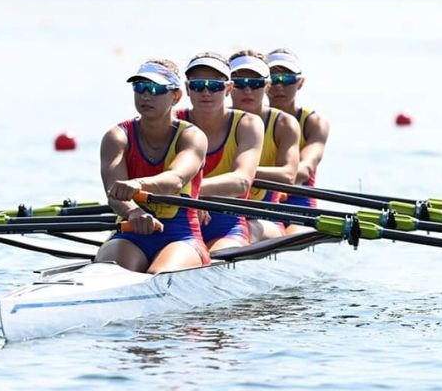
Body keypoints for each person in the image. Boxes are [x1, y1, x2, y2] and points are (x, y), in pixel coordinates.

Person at [95, 59, 210, 274]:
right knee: (106, 274)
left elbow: (175, 179)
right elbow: (115, 193)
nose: (146, 95)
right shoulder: (117, 137)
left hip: (182, 236)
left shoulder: (192, 136)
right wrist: (133, 213)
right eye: (140, 88)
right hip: (131, 231)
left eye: (156, 89)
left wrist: (137, 184)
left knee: (156, 275)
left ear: (175, 96)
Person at [177, 52, 264, 250]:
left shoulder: (248, 124)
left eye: (215, 85)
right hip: (176, 218)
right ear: (187, 89)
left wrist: (190, 193)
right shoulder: (173, 122)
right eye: (198, 85)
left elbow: (241, 182)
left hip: (225, 224)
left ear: (229, 89)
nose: (206, 92)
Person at [227, 49, 301, 242]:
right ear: (228, 87)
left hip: (265, 218)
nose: (248, 90)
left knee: (248, 228)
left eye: (255, 83)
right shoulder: (211, 121)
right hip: (219, 215)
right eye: (240, 84)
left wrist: (241, 174)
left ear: (267, 86)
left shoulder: (284, 124)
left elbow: (288, 176)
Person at [266, 48, 331, 233]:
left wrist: (245, 176)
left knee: (290, 234)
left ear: (300, 82)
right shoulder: (251, 121)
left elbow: (303, 170)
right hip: (262, 200)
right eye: (273, 79)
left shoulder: (314, 122)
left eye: (287, 79)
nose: (279, 86)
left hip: (299, 202)